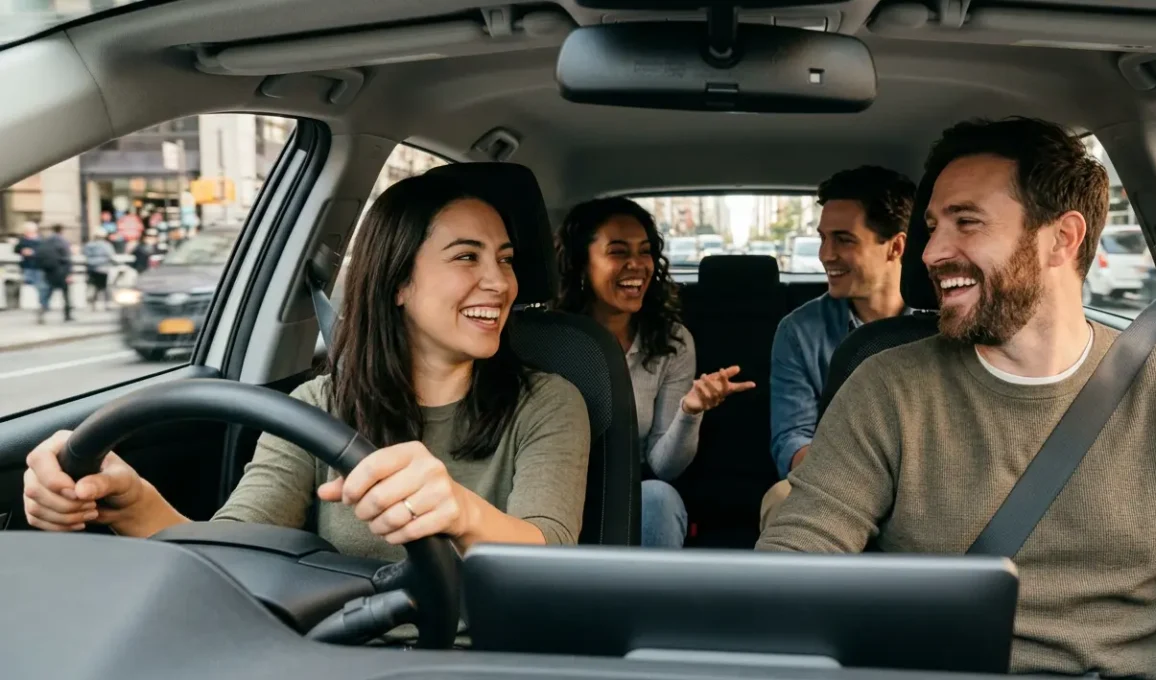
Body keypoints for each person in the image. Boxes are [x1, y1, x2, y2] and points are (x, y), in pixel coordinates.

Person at [757, 117, 1156, 680]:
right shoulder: (886, 388)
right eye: (932, 227)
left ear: (1062, 239)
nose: (931, 253)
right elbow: (800, 553)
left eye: (966, 222)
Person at [23, 171, 592, 561]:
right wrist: (133, 504)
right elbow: (235, 549)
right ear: (397, 282)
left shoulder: (547, 401)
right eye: (467, 256)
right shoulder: (318, 408)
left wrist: (461, 512)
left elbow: (549, 549)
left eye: (505, 260)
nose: (500, 282)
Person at [555, 197, 753, 548]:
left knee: (659, 498)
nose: (636, 265)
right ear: (581, 264)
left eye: (645, 252)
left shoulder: (671, 342)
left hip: (628, 495)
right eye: (618, 252)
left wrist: (690, 411)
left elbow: (664, 468)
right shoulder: (549, 340)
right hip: (553, 490)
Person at [761, 166, 915, 530]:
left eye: (844, 240)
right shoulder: (799, 332)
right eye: (823, 238)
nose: (825, 254)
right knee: (782, 499)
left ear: (896, 247)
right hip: (835, 485)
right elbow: (792, 439)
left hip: (927, 485)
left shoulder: (943, 323)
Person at [33, 224, 73, 324]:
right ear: (61, 230)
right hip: (61, 271)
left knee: (48, 294)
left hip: (48, 271)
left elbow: (38, 255)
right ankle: (67, 315)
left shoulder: (45, 241)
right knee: (65, 294)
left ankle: (42, 311)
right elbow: (66, 258)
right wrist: (69, 273)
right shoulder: (62, 242)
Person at [83, 231, 115, 310]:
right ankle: (106, 304)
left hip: (92, 268)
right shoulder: (107, 245)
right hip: (103, 269)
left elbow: (86, 256)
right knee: (104, 288)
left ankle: (92, 305)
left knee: (93, 287)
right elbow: (110, 255)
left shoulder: (89, 245)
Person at [16, 221, 43, 298]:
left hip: (38, 266)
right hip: (26, 266)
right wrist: (22, 251)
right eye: (26, 231)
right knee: (27, 284)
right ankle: (29, 300)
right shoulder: (23, 240)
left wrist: (33, 252)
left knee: (38, 285)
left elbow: (44, 251)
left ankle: (39, 300)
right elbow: (16, 249)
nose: (27, 233)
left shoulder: (40, 240)